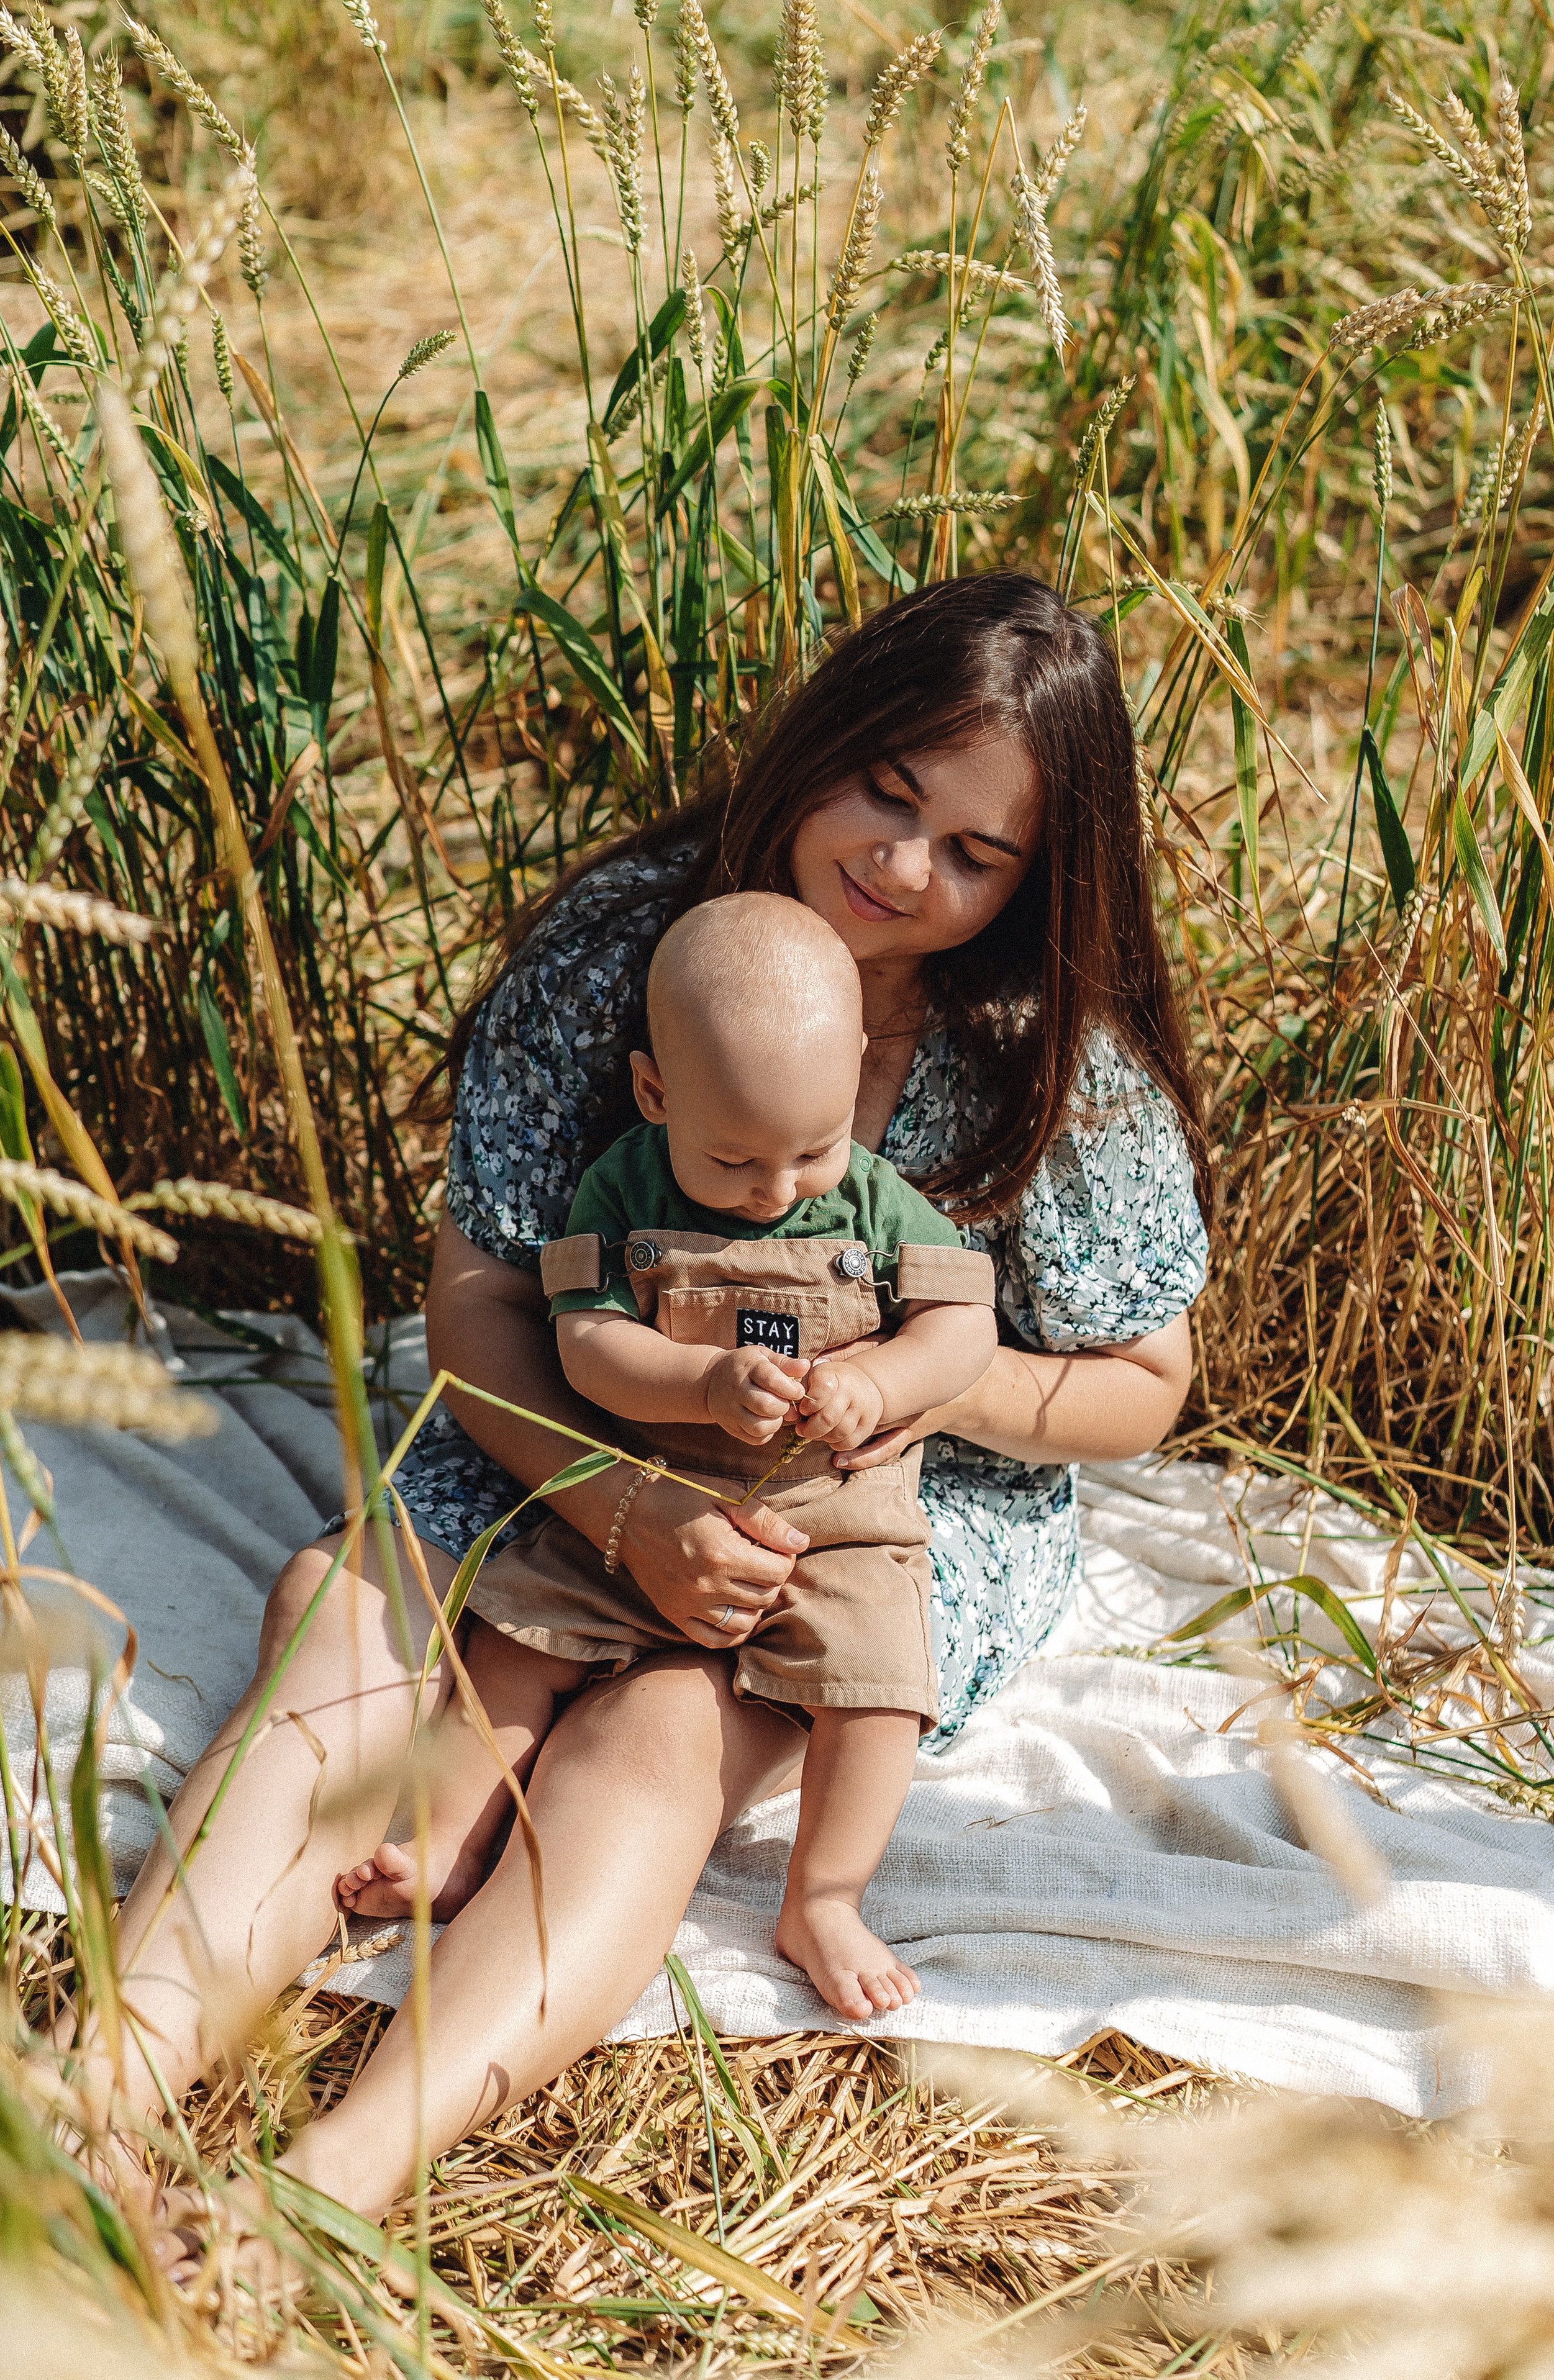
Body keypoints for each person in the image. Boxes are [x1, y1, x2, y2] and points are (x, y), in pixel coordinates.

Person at [89, 572, 1212, 2244]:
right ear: (825, 739)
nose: (905, 866)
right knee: (350, 1607)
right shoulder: (629, 943)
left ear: (1037, 878)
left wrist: (916, 1386)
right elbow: (480, 1299)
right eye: (889, 793)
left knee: (663, 1725)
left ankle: (314, 2194)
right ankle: (92, 2095)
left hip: (887, 1495)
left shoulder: (1043, 1051)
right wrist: (621, 1498)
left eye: (975, 854)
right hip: (584, 1410)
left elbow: (1149, 1387)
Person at [337, 892, 999, 2022]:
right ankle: (451, 1830)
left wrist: (881, 1380)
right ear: (656, 1093)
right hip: (646, 1487)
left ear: (853, 1074)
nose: (778, 1187)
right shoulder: (624, 1187)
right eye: (735, 1157)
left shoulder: (879, 1201)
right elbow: (586, 1344)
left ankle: (824, 1897)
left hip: (831, 1518)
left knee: (883, 1688)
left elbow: (964, 1328)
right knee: (509, 1641)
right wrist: (697, 1381)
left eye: (812, 1150)